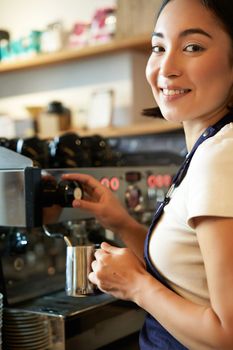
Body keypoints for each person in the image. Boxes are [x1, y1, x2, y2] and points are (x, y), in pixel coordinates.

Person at [63, 0, 233, 348]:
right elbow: (188, 277)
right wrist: (122, 222)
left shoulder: (221, 156)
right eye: (158, 47)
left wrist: (136, 286)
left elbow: (227, 334)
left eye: (192, 47)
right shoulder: (208, 147)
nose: (166, 67)